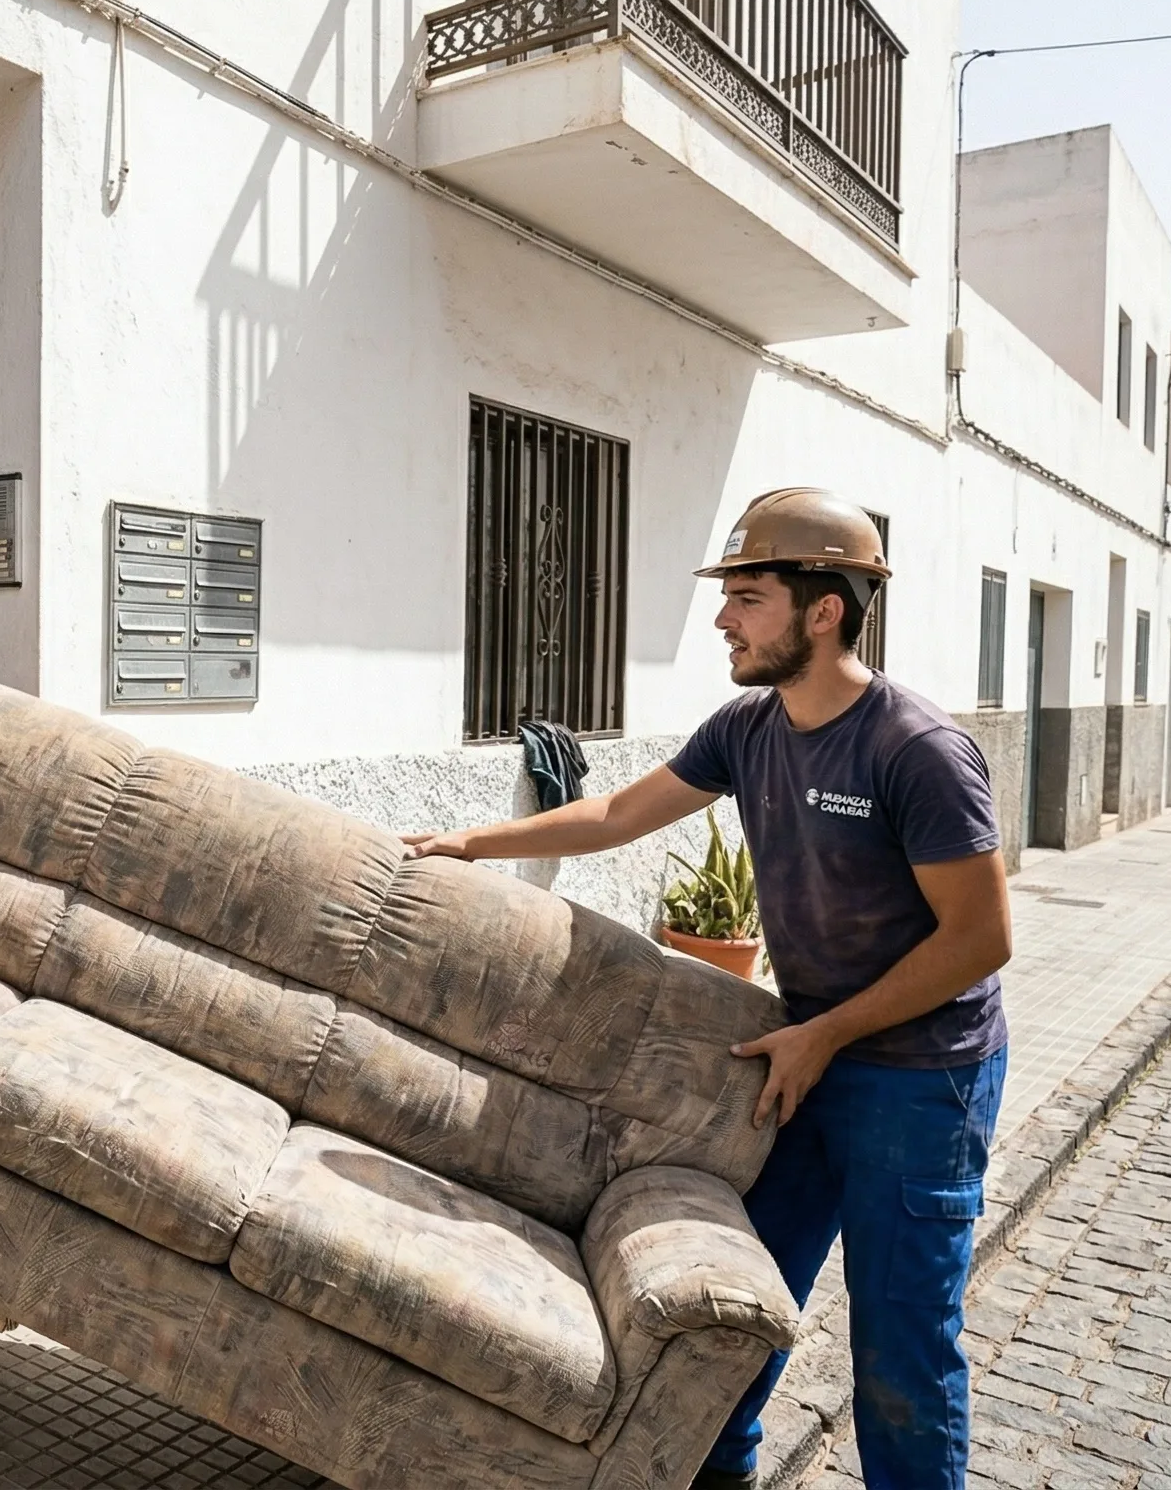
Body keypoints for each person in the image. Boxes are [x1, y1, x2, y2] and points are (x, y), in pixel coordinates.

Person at [404, 488, 1013, 1490]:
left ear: (825, 610)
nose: (723, 618)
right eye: (727, 595)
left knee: (899, 1346)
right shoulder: (747, 727)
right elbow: (610, 815)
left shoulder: (914, 750)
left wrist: (829, 1035)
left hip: (919, 1079)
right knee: (732, 1303)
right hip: (800, 1058)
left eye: (749, 596)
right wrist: (467, 840)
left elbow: (979, 939)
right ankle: (716, 1475)